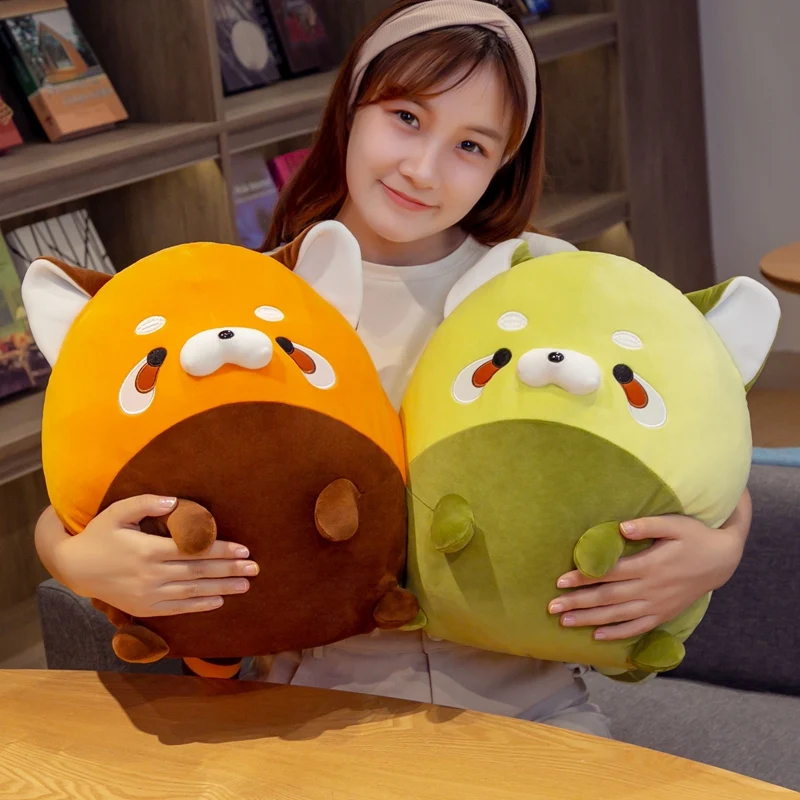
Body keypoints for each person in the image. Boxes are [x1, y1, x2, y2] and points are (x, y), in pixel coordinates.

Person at [33, 0, 752, 737]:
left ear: (505, 162)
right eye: (406, 117)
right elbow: (89, 476)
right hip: (304, 706)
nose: (423, 168)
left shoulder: (544, 287)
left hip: (532, 702)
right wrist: (76, 561)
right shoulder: (253, 300)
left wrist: (720, 551)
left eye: (471, 145)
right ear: (352, 105)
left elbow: (697, 446)